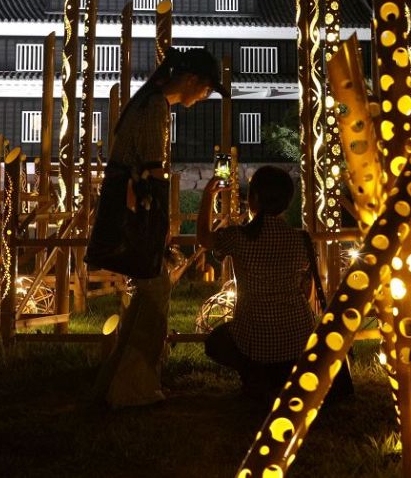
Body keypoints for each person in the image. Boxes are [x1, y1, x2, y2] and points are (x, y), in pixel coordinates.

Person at [88, 47, 226, 408]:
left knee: (150, 294)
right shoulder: (155, 108)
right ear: (192, 80)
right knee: (155, 293)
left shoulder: (149, 102)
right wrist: (157, 222)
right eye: (207, 88)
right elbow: (151, 171)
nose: (205, 96)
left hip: (133, 204)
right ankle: (133, 388)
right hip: (138, 208)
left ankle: (119, 383)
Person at [196, 166, 315, 397]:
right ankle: (280, 376)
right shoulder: (301, 240)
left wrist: (208, 197)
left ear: (255, 199)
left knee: (215, 343)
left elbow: (203, 237)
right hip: (298, 337)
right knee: (274, 347)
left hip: (254, 339)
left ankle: (255, 374)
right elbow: (307, 290)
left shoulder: (239, 237)